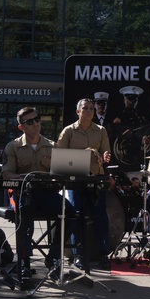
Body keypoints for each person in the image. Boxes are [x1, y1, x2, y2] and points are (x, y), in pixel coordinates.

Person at [2, 106, 71, 281]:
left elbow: (62, 172)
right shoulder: (13, 147)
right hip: (22, 193)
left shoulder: (52, 146)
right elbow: (7, 174)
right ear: (21, 127)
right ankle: (24, 264)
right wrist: (23, 177)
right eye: (30, 122)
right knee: (25, 217)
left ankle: (53, 258)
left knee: (70, 213)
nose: (36, 124)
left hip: (46, 193)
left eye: (37, 119)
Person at [56, 97, 112, 269]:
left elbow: (106, 152)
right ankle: (78, 254)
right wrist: (82, 156)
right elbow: (59, 158)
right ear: (78, 112)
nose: (89, 111)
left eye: (91, 109)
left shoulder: (100, 130)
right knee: (76, 213)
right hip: (75, 178)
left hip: (95, 178)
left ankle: (103, 254)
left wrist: (106, 156)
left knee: (99, 214)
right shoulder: (68, 131)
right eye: (86, 108)